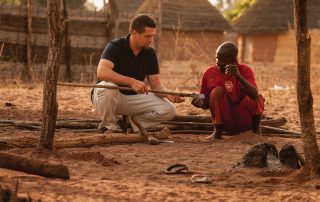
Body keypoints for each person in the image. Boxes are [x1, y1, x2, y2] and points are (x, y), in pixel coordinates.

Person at [92, 14, 184, 133]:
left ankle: (130, 124)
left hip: (132, 99)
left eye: (152, 36)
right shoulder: (115, 46)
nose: (151, 40)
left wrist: (168, 94)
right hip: (107, 98)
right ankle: (109, 127)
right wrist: (132, 82)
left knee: (169, 109)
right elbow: (102, 72)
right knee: (108, 88)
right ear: (134, 33)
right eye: (147, 36)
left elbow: (156, 85)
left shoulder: (150, 53)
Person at [191, 41, 264, 139]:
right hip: (225, 121)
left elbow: (254, 95)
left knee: (258, 97)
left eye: (222, 60)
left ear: (233, 60)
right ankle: (217, 131)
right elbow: (205, 99)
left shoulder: (245, 70)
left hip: (244, 120)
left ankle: (256, 130)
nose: (217, 62)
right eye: (217, 58)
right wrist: (200, 102)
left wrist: (238, 76)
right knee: (217, 92)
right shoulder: (209, 73)